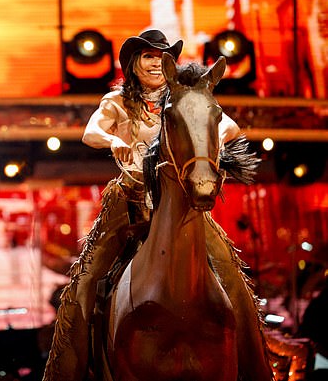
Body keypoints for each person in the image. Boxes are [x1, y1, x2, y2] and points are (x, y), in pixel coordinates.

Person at [43, 29, 271, 380]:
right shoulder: (117, 101)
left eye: (160, 57)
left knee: (233, 275)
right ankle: (66, 371)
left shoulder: (184, 99)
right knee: (86, 280)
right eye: (148, 56)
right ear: (134, 64)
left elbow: (232, 127)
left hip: (180, 201)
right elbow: (91, 132)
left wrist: (205, 135)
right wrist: (112, 139)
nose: (155, 63)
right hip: (131, 199)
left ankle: (258, 369)